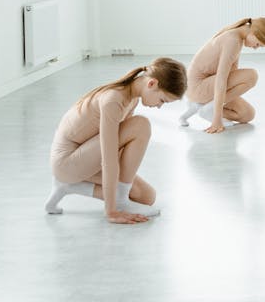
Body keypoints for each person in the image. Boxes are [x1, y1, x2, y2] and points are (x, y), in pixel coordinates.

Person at [45, 58, 187, 223]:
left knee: (146, 196)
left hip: (84, 156)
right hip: (67, 162)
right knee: (141, 125)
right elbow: (109, 158)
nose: (159, 106)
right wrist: (112, 211)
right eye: (162, 100)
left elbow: (118, 147)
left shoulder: (132, 98)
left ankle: (68, 186)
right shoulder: (114, 100)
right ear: (152, 84)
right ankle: (117, 200)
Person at [179, 16, 265, 133]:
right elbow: (221, 80)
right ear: (253, 33)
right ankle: (209, 109)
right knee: (252, 75)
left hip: (207, 85)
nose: (256, 48)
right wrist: (217, 120)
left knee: (247, 114)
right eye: (258, 44)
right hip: (197, 87)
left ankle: (204, 107)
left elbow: (232, 72)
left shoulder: (238, 37)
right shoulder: (233, 40)